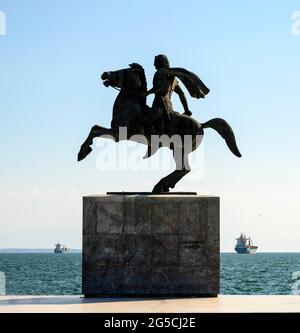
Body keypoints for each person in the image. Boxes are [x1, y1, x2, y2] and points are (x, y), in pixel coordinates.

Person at [144, 54, 210, 135]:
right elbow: (181, 94)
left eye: (155, 62)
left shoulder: (160, 72)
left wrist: (146, 93)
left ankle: (153, 142)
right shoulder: (174, 79)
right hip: (170, 108)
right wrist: (186, 110)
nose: (154, 64)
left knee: (143, 122)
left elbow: (159, 87)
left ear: (160, 63)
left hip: (159, 107)